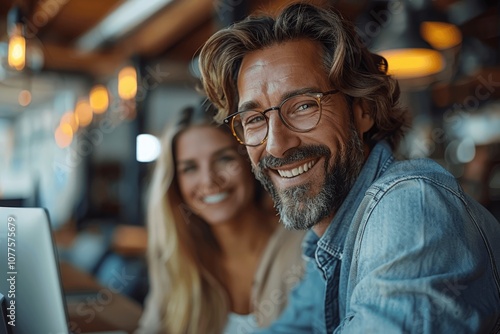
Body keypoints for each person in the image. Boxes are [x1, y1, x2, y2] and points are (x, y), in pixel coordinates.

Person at [198, 2, 500, 333]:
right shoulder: (330, 234)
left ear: (363, 110)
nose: (276, 145)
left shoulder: (408, 205)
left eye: (302, 106)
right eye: (255, 119)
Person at [135, 103, 305, 334]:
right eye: (190, 168)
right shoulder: (181, 259)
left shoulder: (304, 244)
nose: (209, 181)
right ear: (176, 185)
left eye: (224, 159)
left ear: (249, 160)